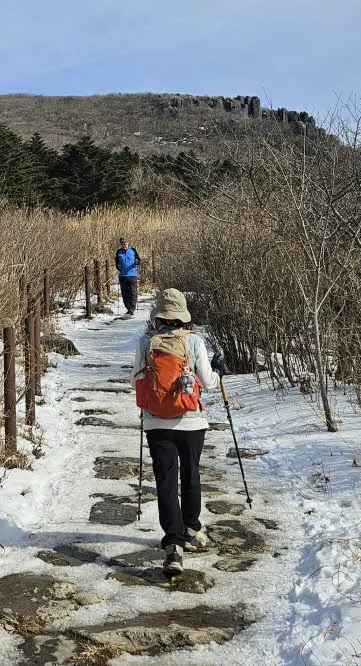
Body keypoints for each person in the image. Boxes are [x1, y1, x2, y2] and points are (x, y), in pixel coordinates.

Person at [132, 288, 229, 576]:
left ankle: (173, 547)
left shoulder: (145, 343)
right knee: (191, 474)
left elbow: (135, 378)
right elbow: (208, 382)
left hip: (156, 423)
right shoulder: (195, 341)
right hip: (191, 421)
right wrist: (219, 370)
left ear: (158, 316)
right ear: (182, 316)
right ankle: (192, 528)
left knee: (165, 482)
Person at [115, 237, 142, 315]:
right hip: (122, 275)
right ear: (121, 244)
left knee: (133, 292)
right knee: (125, 293)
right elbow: (116, 263)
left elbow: (139, 260)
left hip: (132, 275)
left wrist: (137, 262)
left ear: (128, 243)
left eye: (125, 243)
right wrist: (118, 266)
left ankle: (132, 308)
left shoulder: (133, 250)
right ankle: (128, 307)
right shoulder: (119, 252)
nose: (124, 245)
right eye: (123, 244)